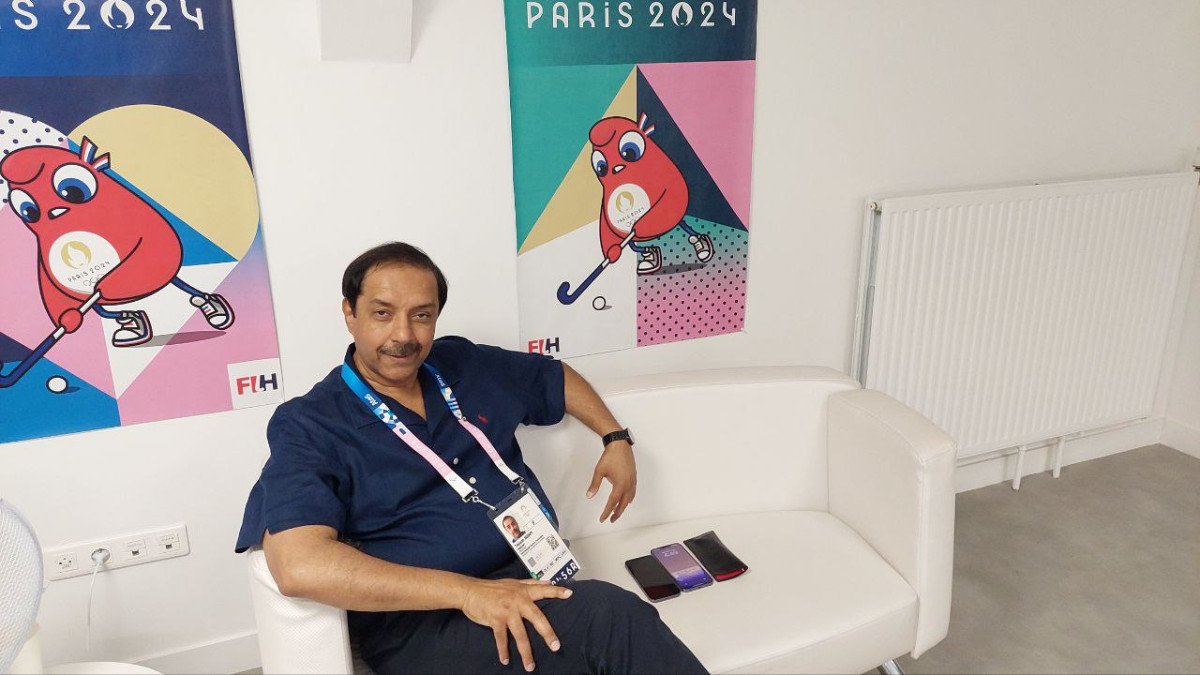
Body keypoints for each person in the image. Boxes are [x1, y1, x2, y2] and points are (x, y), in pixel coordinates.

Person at [236, 242, 705, 674]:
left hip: (531, 578)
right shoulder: (309, 424)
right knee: (611, 616)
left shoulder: (460, 364)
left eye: (421, 315)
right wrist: (468, 593)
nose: (403, 335)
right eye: (382, 313)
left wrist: (615, 437)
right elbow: (299, 566)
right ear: (349, 313)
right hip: (427, 625)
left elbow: (552, 377)